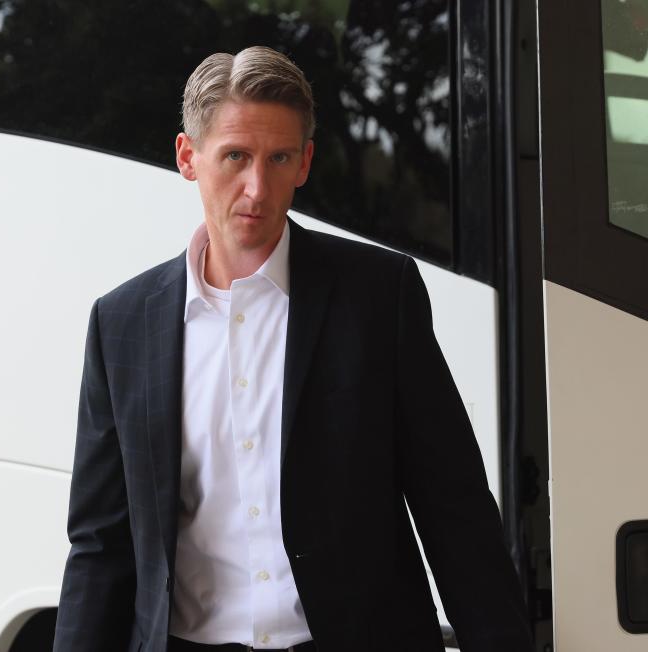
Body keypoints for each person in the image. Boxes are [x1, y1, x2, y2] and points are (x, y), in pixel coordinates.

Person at [54, 46, 532, 652]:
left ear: (305, 162)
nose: (257, 186)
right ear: (187, 158)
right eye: (235, 156)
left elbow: (454, 508)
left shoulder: (380, 296)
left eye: (278, 157)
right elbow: (100, 545)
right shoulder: (121, 323)